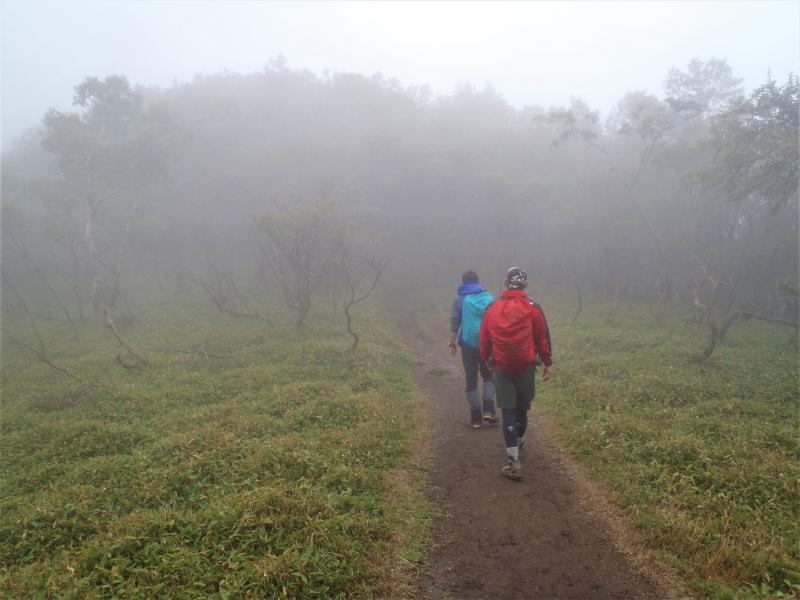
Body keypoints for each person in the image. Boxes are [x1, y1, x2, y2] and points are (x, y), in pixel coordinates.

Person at [479, 267, 552, 480]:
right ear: (525, 284)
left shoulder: (492, 308)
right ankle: (518, 442)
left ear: (505, 283)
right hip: (525, 367)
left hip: (501, 366)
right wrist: (547, 363)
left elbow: (484, 338)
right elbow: (542, 338)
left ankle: (513, 462)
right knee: (522, 408)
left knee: (508, 411)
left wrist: (487, 360)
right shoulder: (533, 308)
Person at [449, 270, 498, 428]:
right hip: (487, 344)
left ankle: (476, 418)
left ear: (463, 282)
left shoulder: (460, 300)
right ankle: (489, 411)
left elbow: (455, 323)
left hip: (468, 344)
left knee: (471, 380)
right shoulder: (488, 297)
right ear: (478, 281)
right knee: (489, 375)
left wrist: (452, 343)